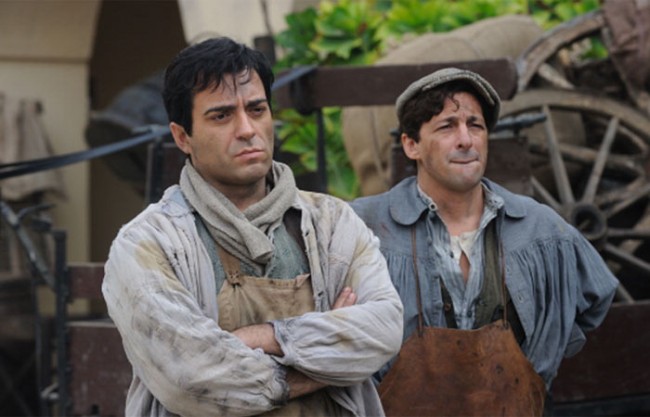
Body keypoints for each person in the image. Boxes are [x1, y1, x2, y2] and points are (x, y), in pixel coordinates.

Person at [102, 36, 403, 417]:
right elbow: (193, 380)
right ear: (182, 137)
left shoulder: (331, 222)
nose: (247, 129)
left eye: (257, 109)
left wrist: (266, 337)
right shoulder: (148, 244)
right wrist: (328, 362)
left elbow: (383, 330)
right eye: (221, 116)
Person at [350, 67, 619, 417]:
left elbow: (595, 297)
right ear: (411, 145)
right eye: (447, 127)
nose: (466, 140)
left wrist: (539, 361)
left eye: (475, 125)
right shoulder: (362, 226)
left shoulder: (539, 227)